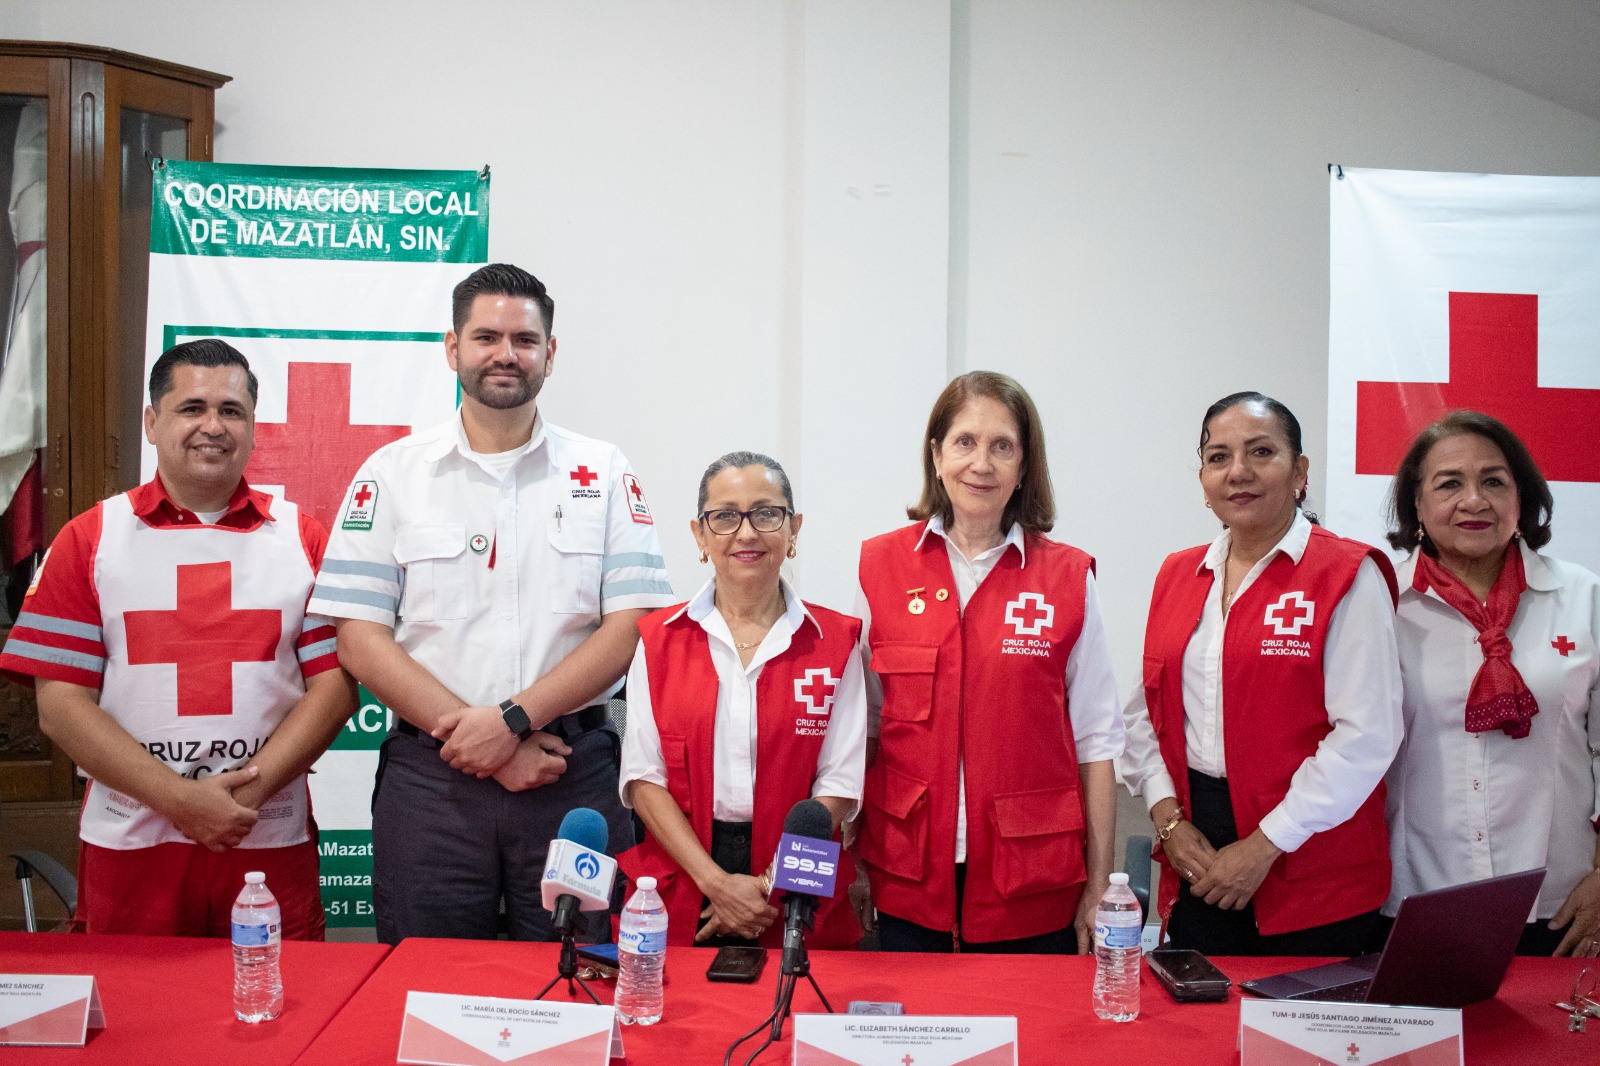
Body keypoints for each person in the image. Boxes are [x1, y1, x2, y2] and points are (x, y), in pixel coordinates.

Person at [309, 263, 675, 944]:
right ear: (453, 349)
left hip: (573, 781)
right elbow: (359, 639)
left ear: (550, 354)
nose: (505, 354)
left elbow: (632, 626)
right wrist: (487, 744)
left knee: (583, 977)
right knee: (425, 984)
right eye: (485, 337)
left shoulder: (604, 471)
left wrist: (512, 720)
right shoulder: (392, 474)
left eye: (524, 339)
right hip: (432, 789)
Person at [0, 339, 355, 938]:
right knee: (138, 1020)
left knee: (281, 1011)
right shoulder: (90, 539)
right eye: (192, 408)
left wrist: (238, 800)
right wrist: (182, 802)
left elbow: (336, 689)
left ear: (252, 426)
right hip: (133, 845)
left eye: (232, 411)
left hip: (264, 834)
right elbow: (61, 708)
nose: (212, 426)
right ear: (152, 421)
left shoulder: (304, 537)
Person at [1120, 391, 1403, 956]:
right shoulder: (1179, 574)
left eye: (1261, 452)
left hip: (1311, 858)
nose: (1238, 472)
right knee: (1201, 1031)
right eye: (1218, 457)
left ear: (1299, 471)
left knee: (1307, 1038)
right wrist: (1169, 823)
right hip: (1197, 850)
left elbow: (1367, 737)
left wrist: (1264, 847)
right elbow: (1144, 713)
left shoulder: (1346, 573)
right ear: (1201, 477)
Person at [853, 371, 1123, 953]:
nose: (982, 463)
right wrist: (851, 858)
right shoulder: (879, 568)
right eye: (965, 442)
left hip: (1033, 882)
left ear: (1024, 466)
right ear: (936, 454)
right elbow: (862, 730)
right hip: (906, 873)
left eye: (1003, 446)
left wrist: (1100, 884)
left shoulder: (1069, 577)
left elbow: (1097, 740)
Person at [618, 452, 866, 948]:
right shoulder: (660, 640)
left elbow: (839, 783)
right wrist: (717, 884)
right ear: (700, 535)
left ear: (793, 530)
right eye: (725, 516)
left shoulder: (836, 641)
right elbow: (644, 779)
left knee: (802, 1011)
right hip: (688, 871)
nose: (747, 533)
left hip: (798, 869)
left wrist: (766, 888)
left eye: (766, 514)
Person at [1382, 411, 1600, 958]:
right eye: (1449, 483)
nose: (1473, 500)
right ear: (1417, 506)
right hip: (1416, 897)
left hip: (1564, 904)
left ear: (1522, 499)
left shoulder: (1582, 597)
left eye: (1494, 481)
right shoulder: (1381, 604)